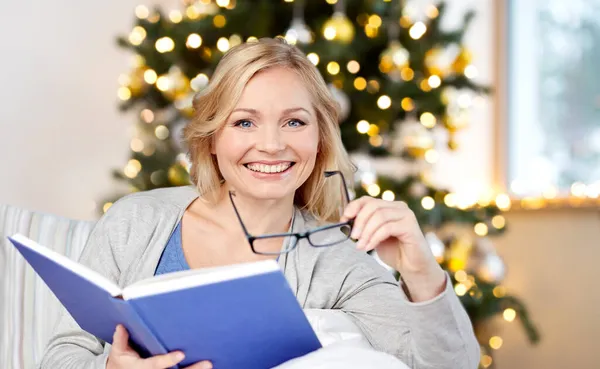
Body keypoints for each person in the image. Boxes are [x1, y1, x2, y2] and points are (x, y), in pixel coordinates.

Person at [40, 37, 479, 369]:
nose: (271, 145)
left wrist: (421, 269)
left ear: (320, 137)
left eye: (293, 121)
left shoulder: (338, 261)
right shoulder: (135, 222)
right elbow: (62, 353)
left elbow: (446, 365)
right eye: (245, 122)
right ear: (212, 138)